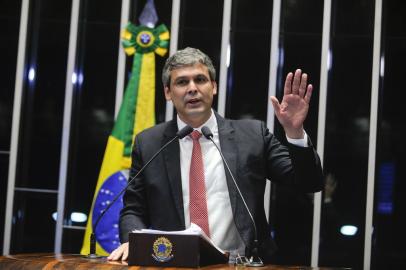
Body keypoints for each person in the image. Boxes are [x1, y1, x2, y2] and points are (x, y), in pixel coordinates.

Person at [108, 47, 323, 263]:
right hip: (175, 264)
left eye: (200, 80)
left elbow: (308, 182)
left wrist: (295, 132)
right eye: (182, 82)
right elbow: (133, 209)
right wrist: (131, 240)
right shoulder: (149, 144)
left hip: (241, 265)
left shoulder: (252, 136)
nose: (192, 88)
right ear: (167, 92)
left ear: (214, 87)